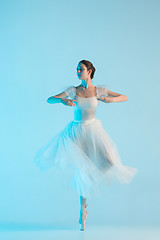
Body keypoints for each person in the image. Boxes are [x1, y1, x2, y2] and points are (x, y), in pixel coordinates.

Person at [34, 59, 138, 231]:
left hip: (93, 131)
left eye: (80, 69)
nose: (77, 72)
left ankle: (88, 196)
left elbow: (124, 96)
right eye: (76, 69)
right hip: (75, 133)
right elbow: (49, 100)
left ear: (89, 71)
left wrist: (112, 100)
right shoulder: (73, 91)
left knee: (109, 162)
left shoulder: (98, 90)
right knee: (82, 169)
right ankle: (82, 212)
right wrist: (62, 101)